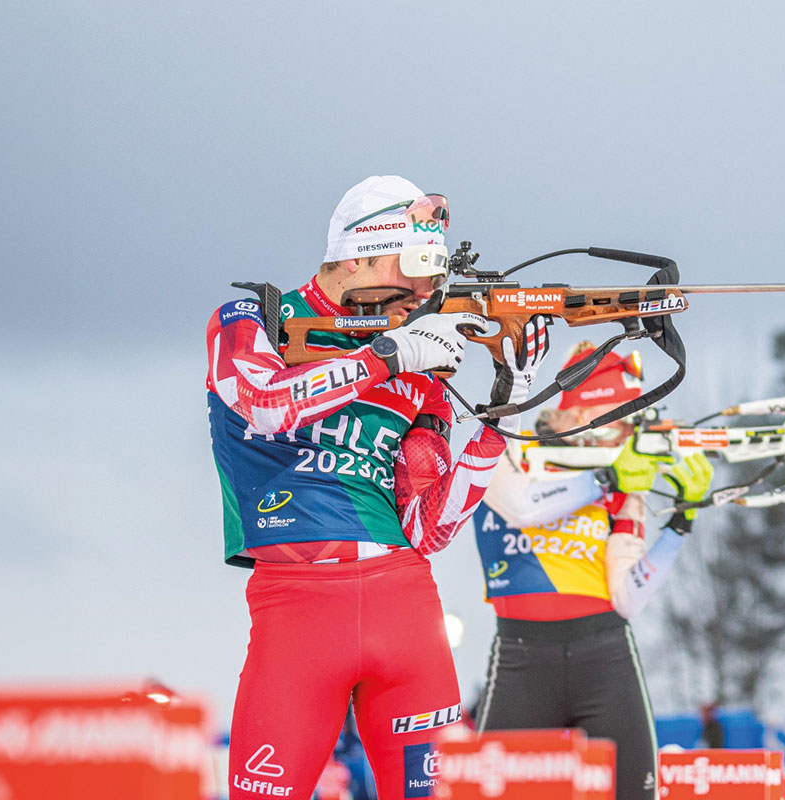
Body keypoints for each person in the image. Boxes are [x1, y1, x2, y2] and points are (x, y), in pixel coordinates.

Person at [207, 175, 550, 800]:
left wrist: (505, 412)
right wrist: (386, 358)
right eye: (416, 266)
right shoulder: (257, 318)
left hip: (406, 609)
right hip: (296, 609)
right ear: (358, 252)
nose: (426, 290)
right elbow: (262, 404)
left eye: (436, 274)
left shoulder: (423, 357)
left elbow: (431, 526)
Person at [470, 342, 713, 800]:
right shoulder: (514, 452)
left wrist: (681, 522)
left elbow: (628, 598)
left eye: (625, 420)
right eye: (605, 416)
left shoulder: (624, 481)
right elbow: (520, 506)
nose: (616, 432)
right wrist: (603, 479)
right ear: (565, 415)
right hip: (523, 656)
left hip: (606, 655)